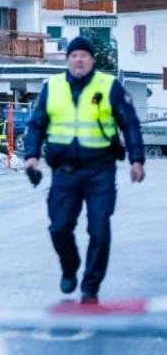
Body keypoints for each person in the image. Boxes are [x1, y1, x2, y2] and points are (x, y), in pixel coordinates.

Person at [24, 36, 145, 304]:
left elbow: (130, 124)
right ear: (68, 60)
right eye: (74, 55)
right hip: (64, 172)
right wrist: (31, 156)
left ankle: (90, 286)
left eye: (84, 55)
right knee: (59, 228)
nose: (79, 60)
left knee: (99, 229)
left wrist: (137, 159)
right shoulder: (52, 87)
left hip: (100, 170)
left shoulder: (109, 86)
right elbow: (36, 125)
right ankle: (70, 267)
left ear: (92, 60)